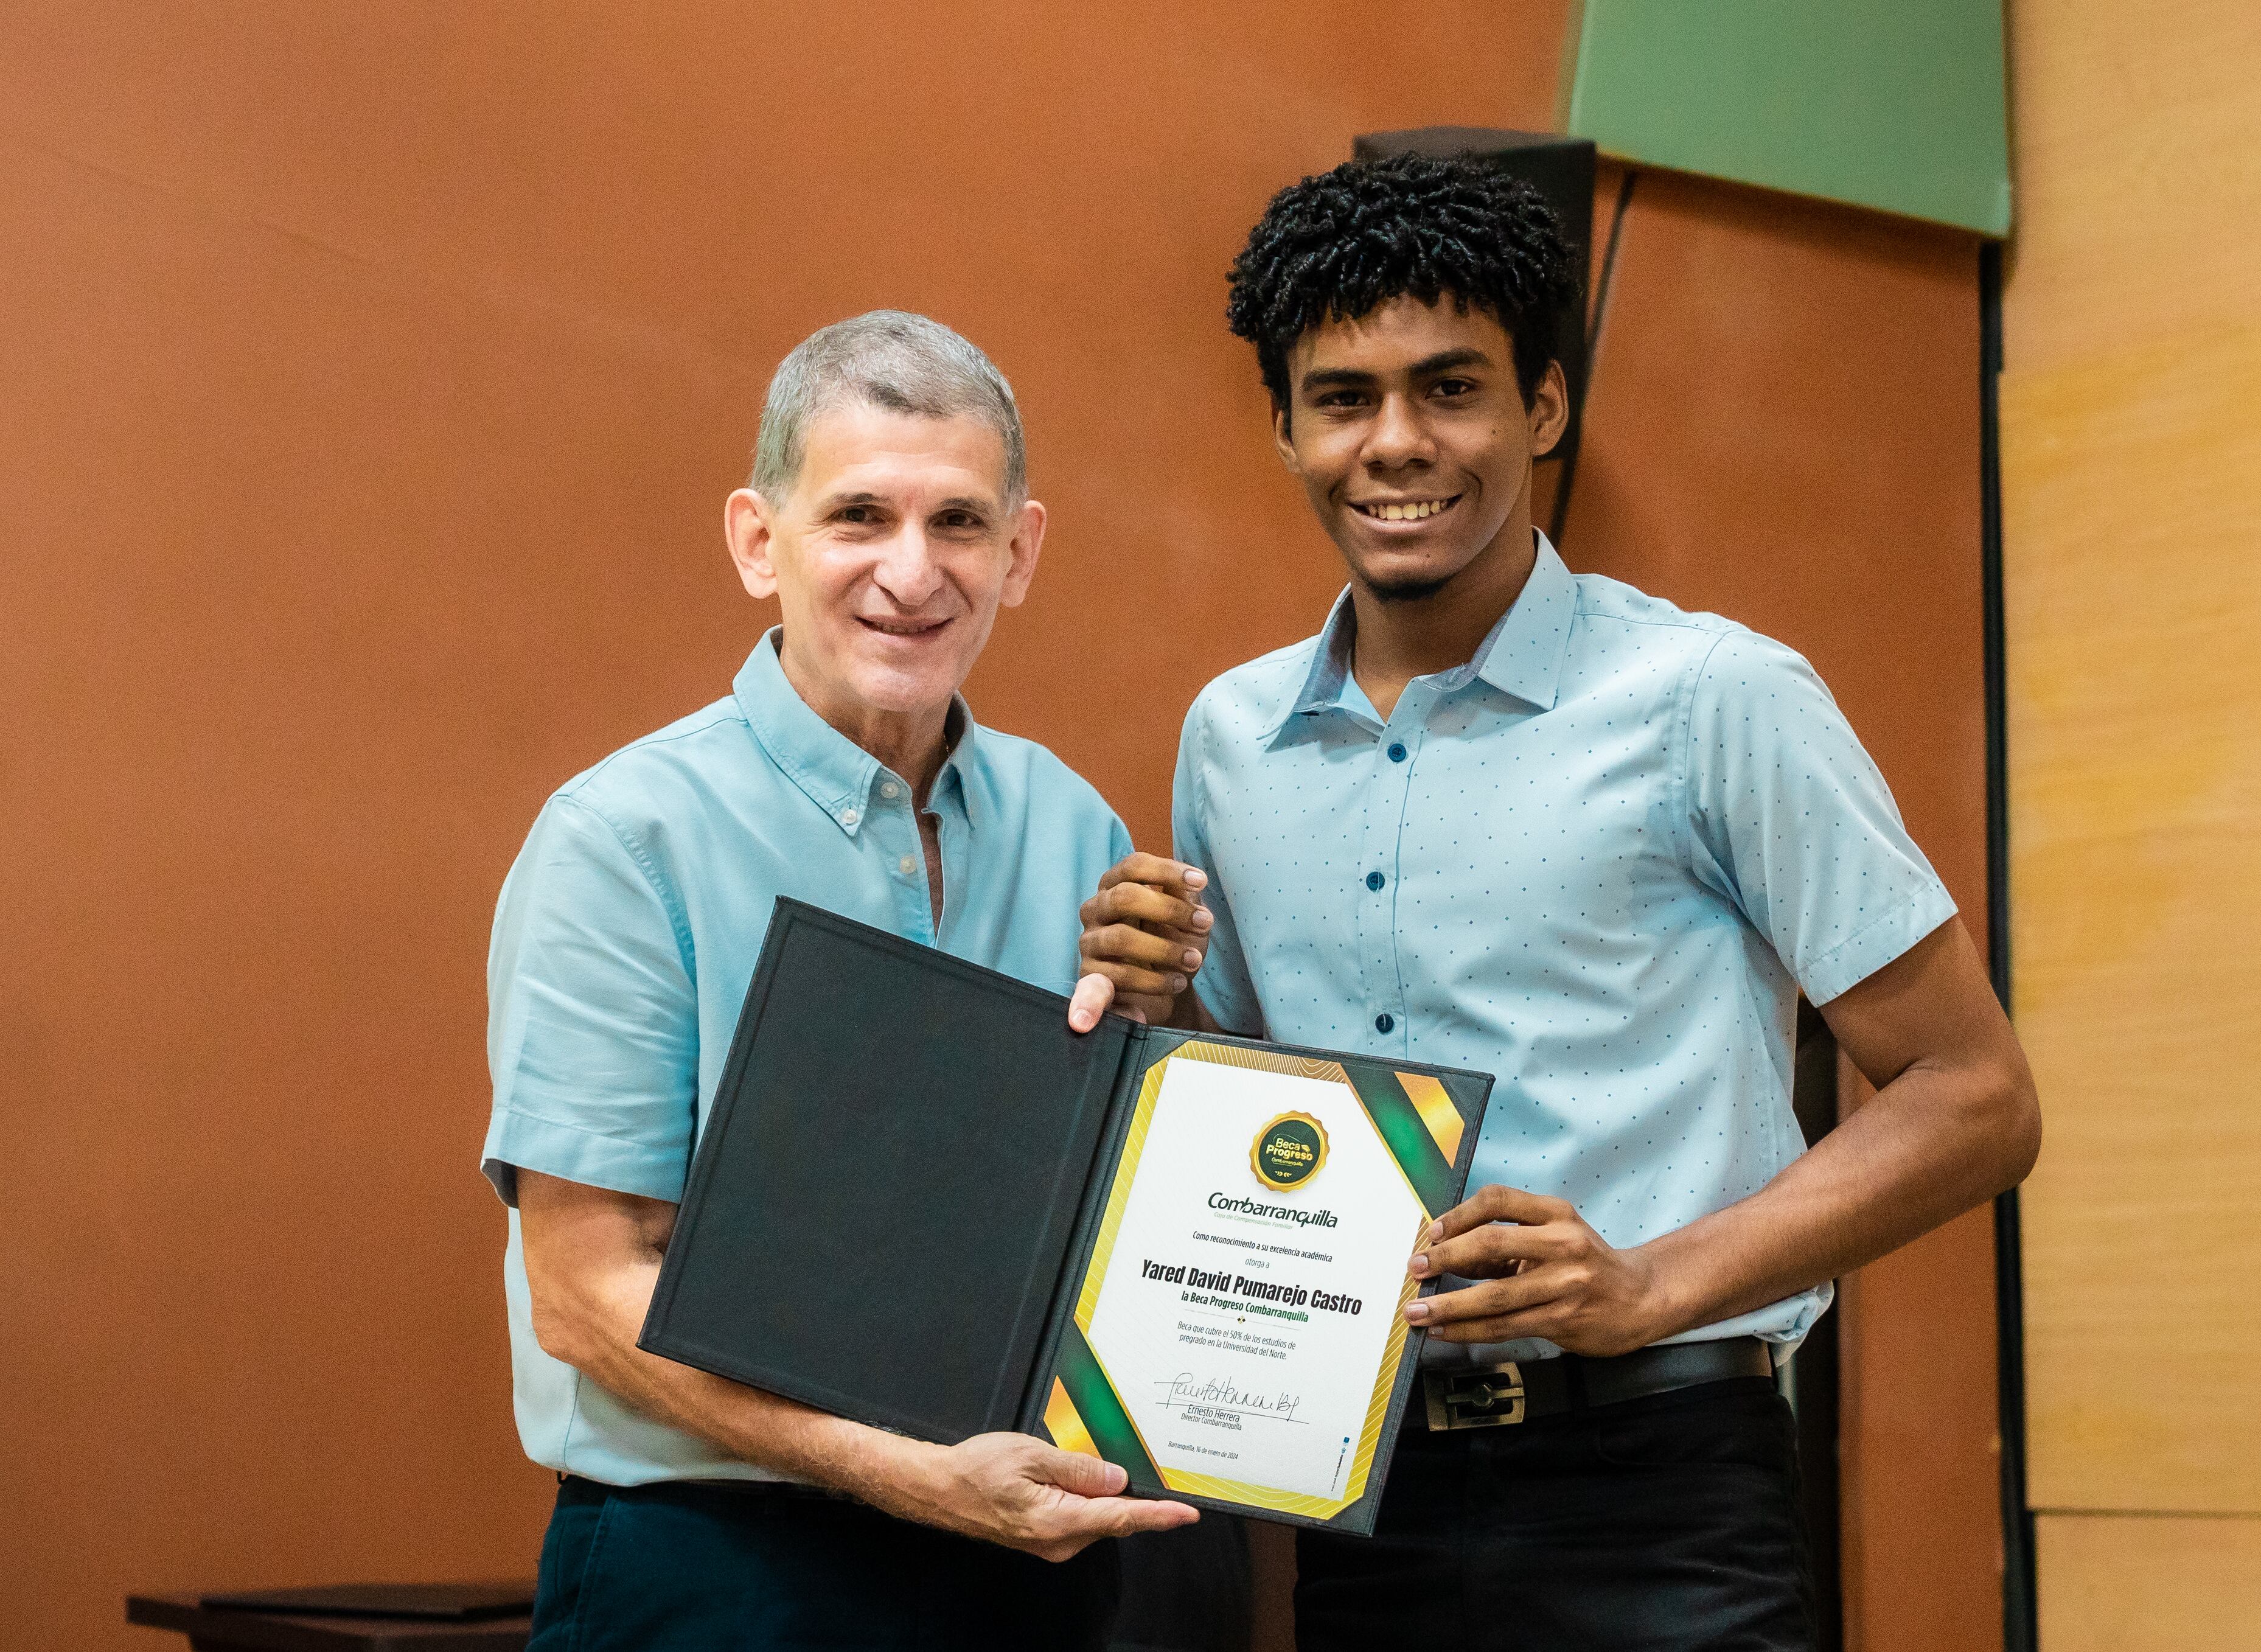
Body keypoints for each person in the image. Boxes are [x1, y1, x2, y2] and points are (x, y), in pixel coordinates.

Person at [1073, 155, 2041, 1651]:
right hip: (1360, 1502)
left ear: (1543, 407)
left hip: (1662, 1496)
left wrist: (1649, 1281)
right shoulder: (1231, 738)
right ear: (1284, 428)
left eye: (1449, 387)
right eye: (1343, 398)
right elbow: (1284, 1124)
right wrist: (1160, 1007)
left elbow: (1976, 1093)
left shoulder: (1717, 698)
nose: (1396, 443)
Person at [484, 310, 1199, 1651]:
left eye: (962, 524)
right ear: (760, 542)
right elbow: (585, 1293)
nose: (912, 573)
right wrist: (908, 1474)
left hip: (1022, 1568)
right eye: (859, 514)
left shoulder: (1080, 830)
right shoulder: (624, 838)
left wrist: (1174, 1025)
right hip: (721, 1572)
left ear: (1022, 552)